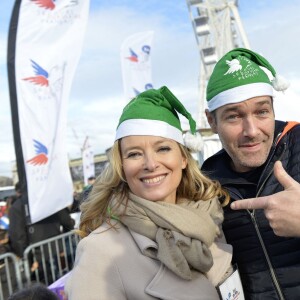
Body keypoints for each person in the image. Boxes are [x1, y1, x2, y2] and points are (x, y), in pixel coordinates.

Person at [65, 86, 234, 299]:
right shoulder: (100, 252)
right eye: (135, 154)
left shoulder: (209, 219)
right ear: (123, 168)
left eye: (162, 149)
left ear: (183, 159)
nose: (151, 164)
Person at [201, 47, 300, 299]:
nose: (252, 130)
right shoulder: (203, 187)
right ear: (212, 121)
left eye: (261, 111)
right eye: (233, 116)